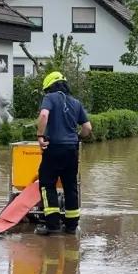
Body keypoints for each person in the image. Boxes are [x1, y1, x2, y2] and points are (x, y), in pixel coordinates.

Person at [34, 72, 92, 235]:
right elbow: (88, 128)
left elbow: (44, 115)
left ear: (50, 87)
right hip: (71, 150)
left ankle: (52, 225)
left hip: (53, 148)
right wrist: (77, 138)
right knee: (70, 186)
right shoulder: (76, 102)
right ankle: (71, 226)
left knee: (47, 184)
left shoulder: (50, 98)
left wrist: (40, 136)